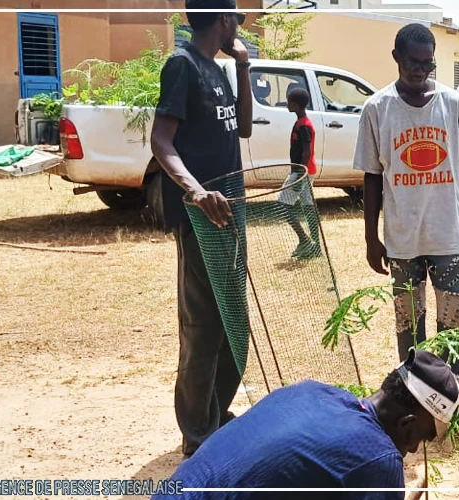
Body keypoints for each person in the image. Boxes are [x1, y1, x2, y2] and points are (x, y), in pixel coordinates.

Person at [148, 0, 253, 458]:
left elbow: (244, 127)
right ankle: (196, 433)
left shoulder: (218, 68)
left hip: (233, 210)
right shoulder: (183, 65)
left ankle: (215, 412)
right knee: (202, 323)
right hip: (201, 214)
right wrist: (195, 192)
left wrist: (244, 67)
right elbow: (161, 140)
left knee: (233, 319)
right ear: (224, 20)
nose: (238, 29)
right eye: (236, 21)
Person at [156, 350, 459, 499]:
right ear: (407, 425)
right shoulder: (378, 460)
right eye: (421, 438)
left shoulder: (309, 390)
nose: (412, 449)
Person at [355, 23, 459, 383]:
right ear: (396, 57)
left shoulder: (453, 104)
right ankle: (415, 398)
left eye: (428, 64)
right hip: (403, 241)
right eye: (414, 62)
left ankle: (452, 402)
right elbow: (372, 178)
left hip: (449, 239)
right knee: (409, 326)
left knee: (453, 327)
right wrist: (370, 239)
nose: (421, 70)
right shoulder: (377, 109)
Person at [280, 86, 322, 260]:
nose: (287, 104)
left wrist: (299, 175)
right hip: (305, 171)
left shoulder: (304, 126)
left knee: (282, 205)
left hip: (302, 172)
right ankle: (316, 246)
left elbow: (306, 152)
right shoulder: (300, 123)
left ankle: (304, 240)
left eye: (289, 102)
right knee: (307, 206)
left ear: (296, 105)